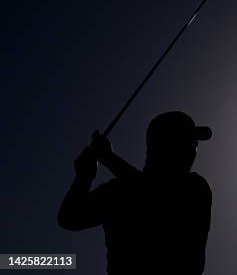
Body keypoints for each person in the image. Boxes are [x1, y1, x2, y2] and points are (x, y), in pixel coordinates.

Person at [58, 111, 213, 274]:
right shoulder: (119, 191)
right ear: (167, 144)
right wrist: (84, 175)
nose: (194, 147)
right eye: (189, 141)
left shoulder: (196, 187)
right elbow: (68, 218)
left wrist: (107, 158)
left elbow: (153, 194)